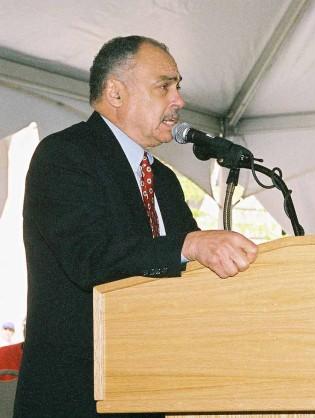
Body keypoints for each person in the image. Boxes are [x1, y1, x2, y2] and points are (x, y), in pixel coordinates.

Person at [14, 36, 258, 418]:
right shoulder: (64, 155)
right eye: (164, 86)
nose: (179, 100)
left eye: (178, 87)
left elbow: (187, 270)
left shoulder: (163, 178)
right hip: (77, 396)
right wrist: (189, 245)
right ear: (115, 93)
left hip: (151, 390)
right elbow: (90, 258)